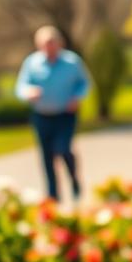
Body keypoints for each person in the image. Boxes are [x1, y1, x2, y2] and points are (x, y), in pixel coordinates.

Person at [15, 25, 91, 205]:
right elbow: (21, 87)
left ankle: (74, 179)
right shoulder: (32, 63)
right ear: (38, 45)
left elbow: (84, 83)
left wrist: (77, 97)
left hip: (65, 114)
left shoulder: (72, 62)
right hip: (42, 115)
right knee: (47, 156)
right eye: (45, 44)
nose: (49, 47)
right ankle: (53, 196)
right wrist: (28, 92)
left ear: (59, 43)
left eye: (52, 43)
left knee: (63, 149)